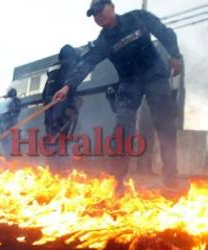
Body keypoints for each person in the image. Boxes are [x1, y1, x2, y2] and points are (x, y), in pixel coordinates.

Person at [53, 0, 181, 188]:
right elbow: (86, 63)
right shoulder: (103, 41)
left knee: (165, 124)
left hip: (156, 76)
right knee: (122, 129)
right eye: (94, 14)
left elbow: (164, 32)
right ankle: (117, 180)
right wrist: (67, 87)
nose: (98, 16)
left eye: (99, 11)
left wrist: (175, 55)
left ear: (111, 6)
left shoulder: (137, 17)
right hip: (129, 83)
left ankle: (171, 178)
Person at [42, 44, 81, 138]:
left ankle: (52, 150)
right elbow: (69, 86)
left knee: (51, 133)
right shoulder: (69, 65)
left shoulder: (53, 68)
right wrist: (72, 107)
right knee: (60, 133)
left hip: (49, 104)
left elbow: (46, 91)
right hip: (60, 103)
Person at [0, 88, 22, 155]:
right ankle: (9, 157)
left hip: (10, 124)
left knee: (9, 141)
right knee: (6, 141)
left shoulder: (13, 100)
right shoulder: (12, 101)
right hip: (8, 124)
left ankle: (10, 157)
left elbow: (13, 112)